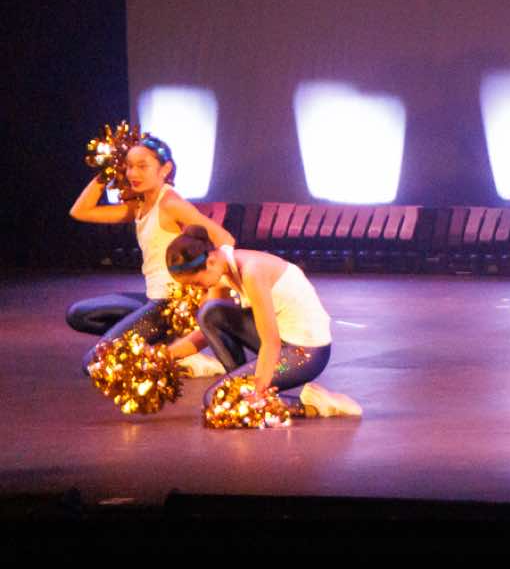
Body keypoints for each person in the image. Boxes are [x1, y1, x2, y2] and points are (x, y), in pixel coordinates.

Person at [67, 134, 228, 375]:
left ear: (165, 169)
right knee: (79, 315)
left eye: (142, 166)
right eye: (129, 166)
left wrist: (209, 293)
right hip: (152, 297)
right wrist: (107, 171)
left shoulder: (170, 203)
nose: (133, 173)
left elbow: (224, 239)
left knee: (95, 363)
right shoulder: (140, 206)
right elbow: (80, 211)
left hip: (169, 304)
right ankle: (165, 345)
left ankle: (172, 351)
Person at [158, 230, 361, 417]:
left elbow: (270, 342)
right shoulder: (223, 267)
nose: (197, 288)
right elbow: (206, 331)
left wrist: (254, 392)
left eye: (196, 282)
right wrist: (163, 357)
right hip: (283, 343)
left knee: (218, 399)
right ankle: (241, 383)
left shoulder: (252, 272)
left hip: (306, 354)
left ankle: (315, 404)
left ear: (210, 262)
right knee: (210, 314)